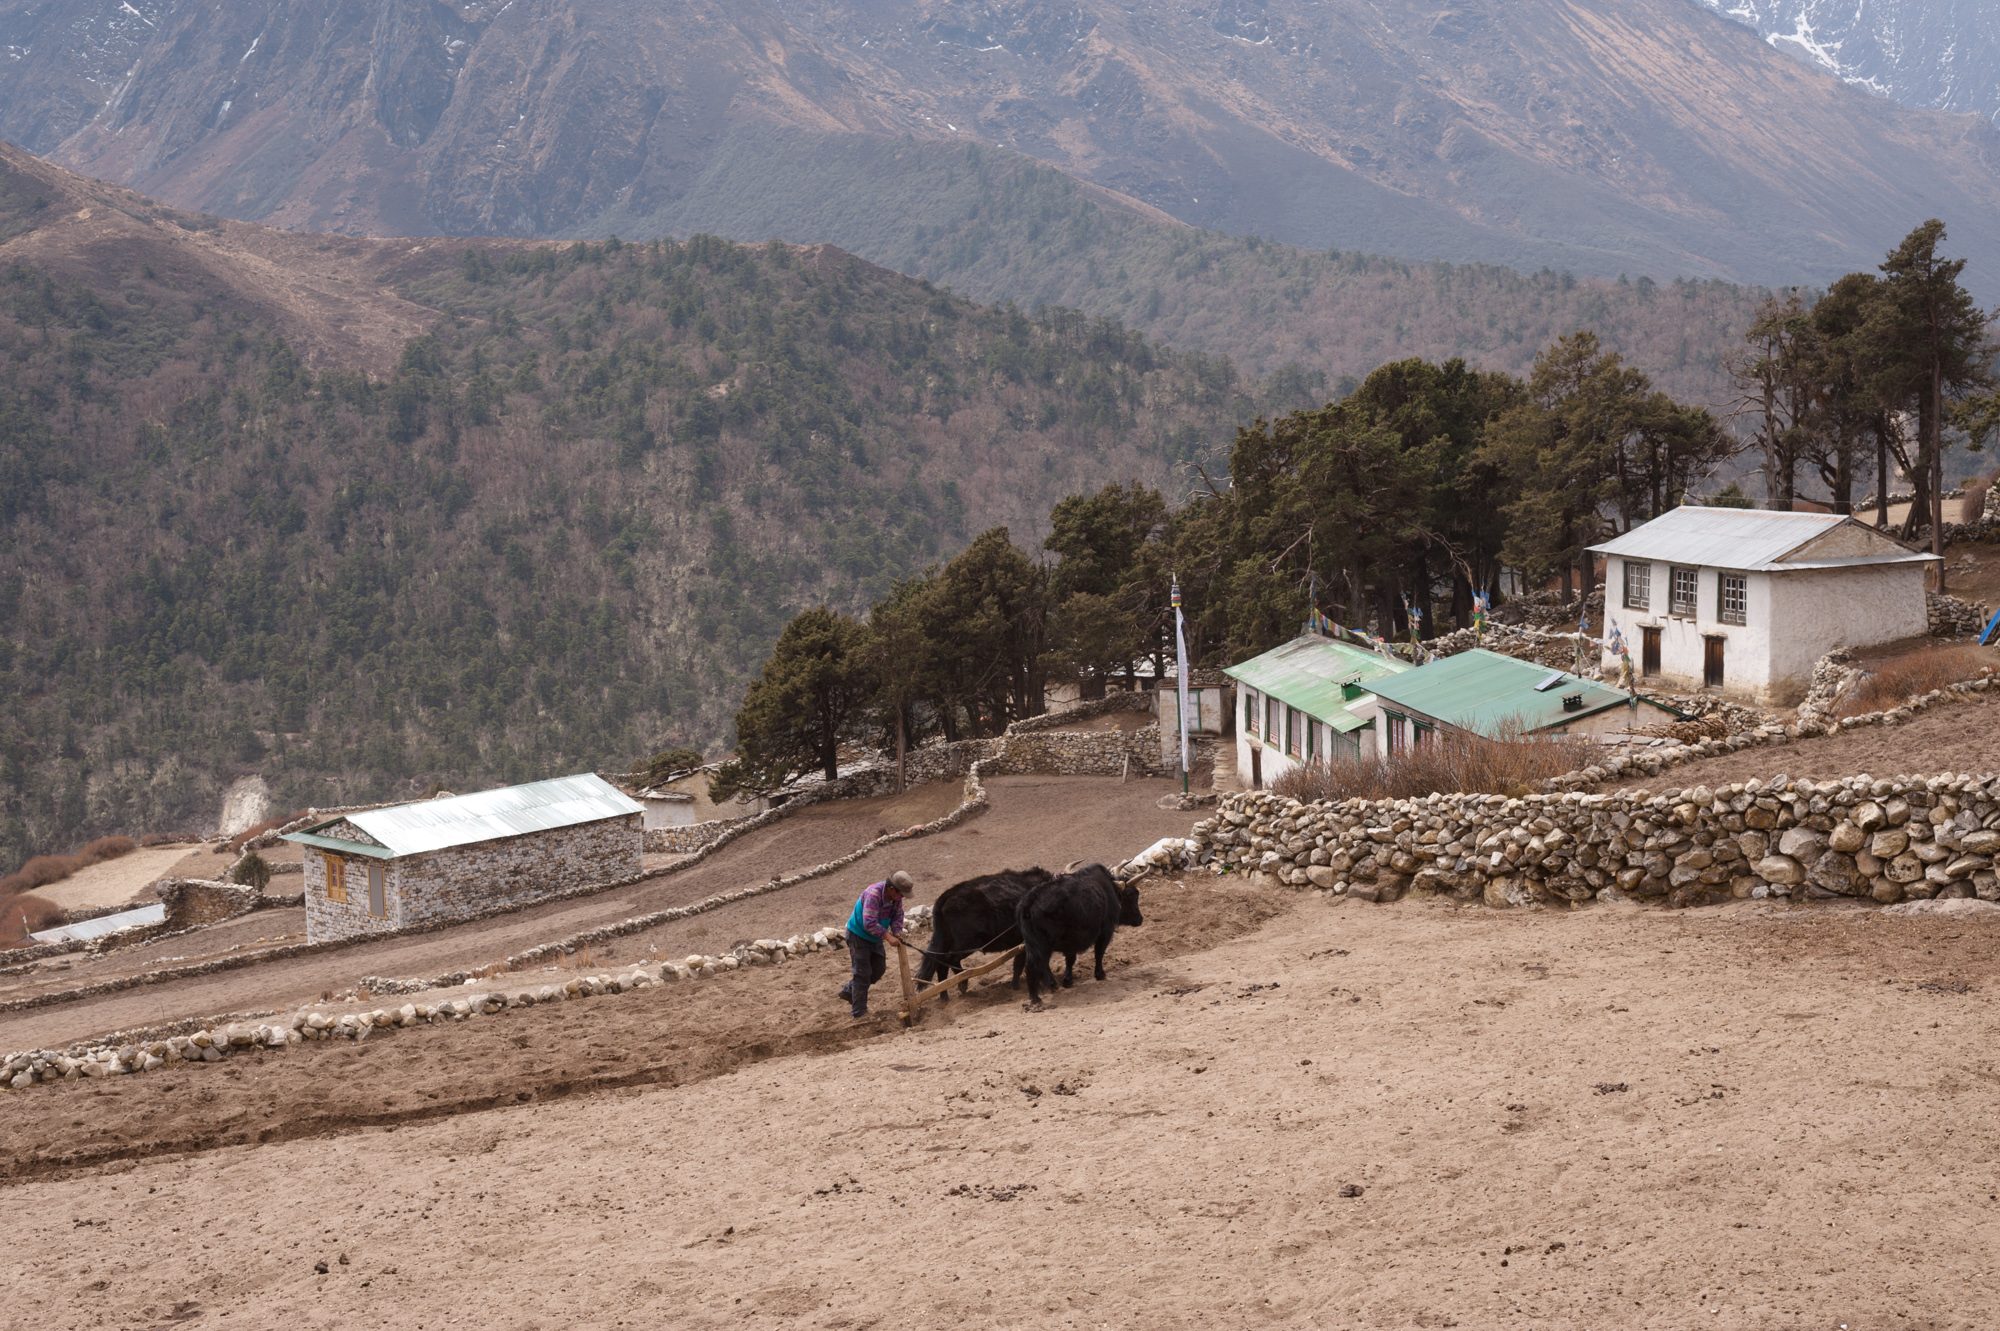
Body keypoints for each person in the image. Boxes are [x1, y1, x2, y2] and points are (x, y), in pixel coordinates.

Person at [839, 870, 911, 1018]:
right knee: (862, 973)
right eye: (901, 894)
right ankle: (859, 1013)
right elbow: (869, 923)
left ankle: (849, 990)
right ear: (892, 889)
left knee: (878, 969)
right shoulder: (874, 894)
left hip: (875, 937)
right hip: (858, 935)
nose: (902, 897)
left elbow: (898, 914)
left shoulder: (895, 898)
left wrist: (897, 931)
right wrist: (888, 937)